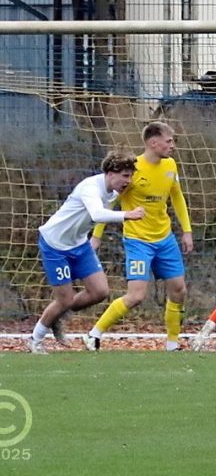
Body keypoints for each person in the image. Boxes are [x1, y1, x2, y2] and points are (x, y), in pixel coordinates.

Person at [85, 121, 193, 351]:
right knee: (135, 296)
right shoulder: (132, 170)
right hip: (137, 241)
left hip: (165, 239)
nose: (172, 145)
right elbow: (110, 203)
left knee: (178, 290)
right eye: (169, 141)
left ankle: (172, 343)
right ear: (154, 143)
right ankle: (94, 334)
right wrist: (96, 236)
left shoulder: (171, 165)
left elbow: (178, 198)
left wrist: (187, 231)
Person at [28, 149, 145, 353]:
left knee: (100, 291)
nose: (128, 180)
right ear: (110, 173)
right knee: (64, 299)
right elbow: (97, 214)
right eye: (125, 175)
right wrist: (127, 215)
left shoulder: (114, 191)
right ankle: (35, 340)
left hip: (79, 244)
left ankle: (57, 314)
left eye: (131, 175)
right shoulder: (90, 187)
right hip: (55, 245)